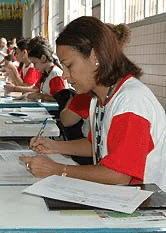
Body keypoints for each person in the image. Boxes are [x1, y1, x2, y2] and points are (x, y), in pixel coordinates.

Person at [21, 16, 166, 190]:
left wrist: (58, 170)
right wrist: (55, 146)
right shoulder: (99, 98)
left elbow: (119, 174)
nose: (64, 75)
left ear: (95, 56)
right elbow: (97, 145)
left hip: (145, 205)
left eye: (69, 66)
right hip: (120, 197)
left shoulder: (131, 102)